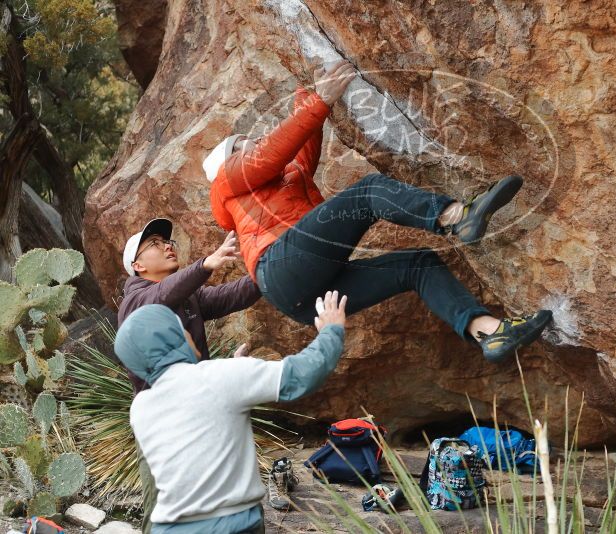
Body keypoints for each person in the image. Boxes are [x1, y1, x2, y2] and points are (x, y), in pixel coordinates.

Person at [203, 60, 552, 363]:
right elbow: (271, 153)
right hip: (279, 264)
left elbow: (299, 149)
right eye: (243, 140)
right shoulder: (226, 179)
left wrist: (306, 88)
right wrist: (321, 99)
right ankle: (457, 218)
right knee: (367, 192)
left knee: (418, 265)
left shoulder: (279, 180)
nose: (253, 139)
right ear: (228, 157)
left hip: (302, 297)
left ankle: (489, 332)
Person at [115, 290, 347, 534]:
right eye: (180, 327)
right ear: (173, 337)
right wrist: (332, 330)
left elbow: (199, 407)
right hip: (232, 526)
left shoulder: (141, 408)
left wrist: (235, 370)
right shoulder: (220, 378)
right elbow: (301, 374)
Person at [118, 218, 261, 533]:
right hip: (161, 422)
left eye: (166, 241)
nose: (167, 245)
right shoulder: (135, 301)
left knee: (211, 502)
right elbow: (160, 298)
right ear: (138, 265)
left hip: (199, 412)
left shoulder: (187, 297)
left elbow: (236, 294)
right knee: (159, 510)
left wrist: (272, 268)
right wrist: (206, 264)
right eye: (154, 243)